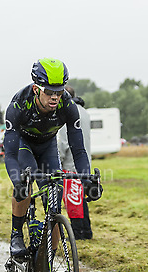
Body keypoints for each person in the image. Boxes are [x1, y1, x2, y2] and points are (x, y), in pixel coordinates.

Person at [3, 58, 98, 272]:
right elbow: (11, 153)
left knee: (55, 208)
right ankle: (16, 235)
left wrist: (86, 178)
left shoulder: (68, 105)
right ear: (36, 89)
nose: (55, 97)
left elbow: (78, 150)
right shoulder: (18, 105)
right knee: (23, 184)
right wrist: (18, 180)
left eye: (60, 90)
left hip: (48, 148)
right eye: (49, 92)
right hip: (23, 146)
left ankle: (46, 270)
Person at [57, 85, 93, 240]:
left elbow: (63, 142)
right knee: (81, 197)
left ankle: (78, 233)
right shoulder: (84, 112)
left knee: (73, 200)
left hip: (70, 164)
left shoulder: (67, 112)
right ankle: (86, 230)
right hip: (83, 162)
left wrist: (57, 161)